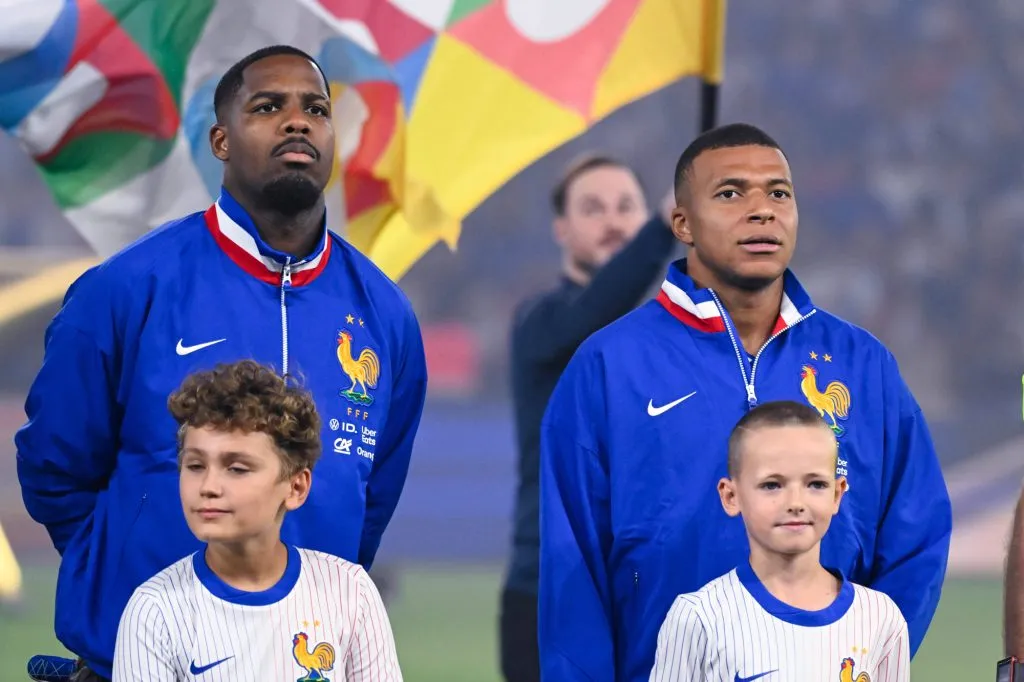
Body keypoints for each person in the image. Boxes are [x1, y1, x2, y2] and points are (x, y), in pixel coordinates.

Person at [16, 45, 426, 681]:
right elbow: (53, 469)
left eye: (315, 109)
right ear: (221, 140)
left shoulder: (385, 315)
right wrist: (124, 573)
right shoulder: (125, 289)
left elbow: (371, 496)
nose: (297, 122)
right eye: (268, 107)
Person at [538, 123, 951, 682]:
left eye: (778, 192)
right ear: (681, 222)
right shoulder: (608, 366)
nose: (762, 210)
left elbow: (916, 536)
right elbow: (572, 568)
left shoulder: (863, 364)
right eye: (730, 193)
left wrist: (861, 658)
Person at [112, 360, 402, 681]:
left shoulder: (351, 591)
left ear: (296, 487)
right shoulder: (154, 611)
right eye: (195, 466)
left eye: (236, 468)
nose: (208, 487)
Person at [502, 153, 676, 682]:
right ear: (561, 228)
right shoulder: (543, 322)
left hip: (648, 591)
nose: (615, 221)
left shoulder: (670, 340)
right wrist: (663, 230)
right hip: (550, 587)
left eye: (627, 207)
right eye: (594, 208)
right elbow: (594, 312)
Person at [649, 400, 909, 681]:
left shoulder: (881, 617)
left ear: (837, 494)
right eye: (772, 485)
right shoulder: (698, 618)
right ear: (731, 496)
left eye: (815, 484)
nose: (795, 502)